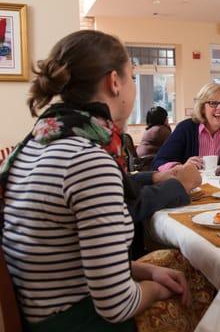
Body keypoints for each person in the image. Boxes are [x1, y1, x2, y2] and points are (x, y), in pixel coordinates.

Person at [0, 30, 191, 330]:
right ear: (114, 81)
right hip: (72, 321)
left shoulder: (37, 142)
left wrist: (145, 271)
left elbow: (67, 255)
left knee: (172, 263)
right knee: (204, 287)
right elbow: (117, 305)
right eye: (132, 76)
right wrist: (156, 289)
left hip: (41, 305)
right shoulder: (88, 160)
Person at [152, 82, 220, 170]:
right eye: (213, 103)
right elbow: (158, 163)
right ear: (202, 108)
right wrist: (182, 167)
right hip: (191, 187)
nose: (219, 108)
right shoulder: (186, 128)